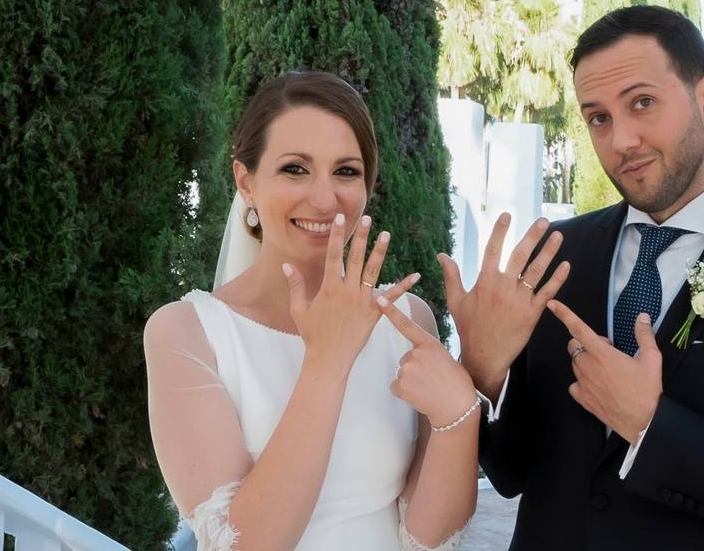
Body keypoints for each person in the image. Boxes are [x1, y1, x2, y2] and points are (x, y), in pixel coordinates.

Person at [440, 6, 704, 549]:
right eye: (598, 117)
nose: (621, 139)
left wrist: (653, 428)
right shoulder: (556, 256)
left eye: (642, 103)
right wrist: (485, 374)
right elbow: (510, 473)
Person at [144, 71, 479, 551]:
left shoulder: (407, 319)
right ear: (246, 181)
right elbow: (243, 546)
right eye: (295, 169)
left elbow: (427, 538)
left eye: (346, 171)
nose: (325, 199)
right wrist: (327, 361)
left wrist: (463, 406)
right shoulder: (186, 333)